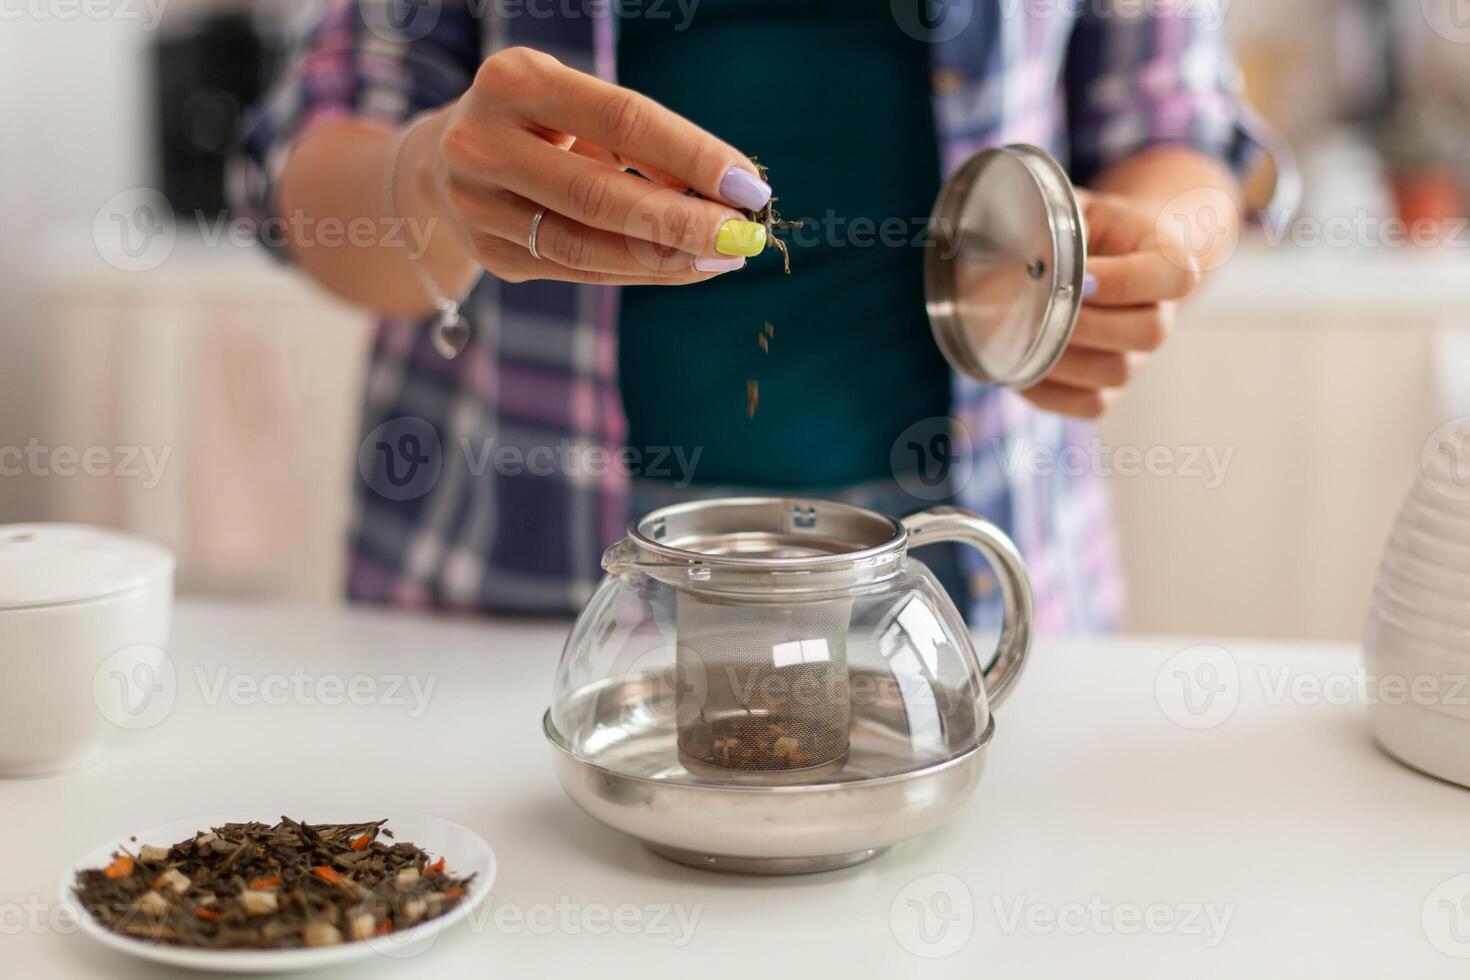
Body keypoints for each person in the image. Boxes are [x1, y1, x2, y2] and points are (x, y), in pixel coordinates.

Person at [232, 0, 1262, 630]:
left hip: (971, 585)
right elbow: (304, 173)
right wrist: (430, 178)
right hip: (509, 588)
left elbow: (1188, 133)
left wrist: (1132, 252)